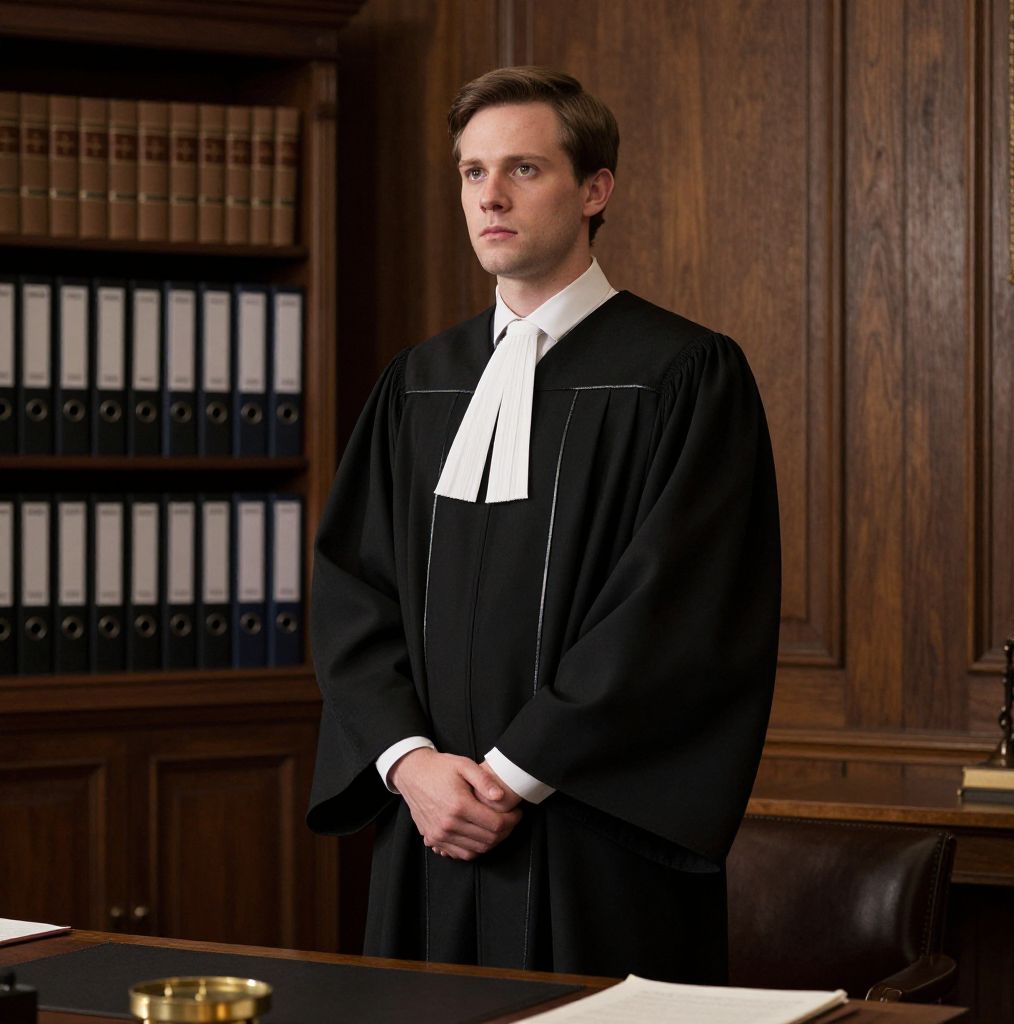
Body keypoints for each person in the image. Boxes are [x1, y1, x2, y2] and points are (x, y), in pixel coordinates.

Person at [307, 66, 780, 984]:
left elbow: (677, 611)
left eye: (522, 169)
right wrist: (410, 767)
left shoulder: (684, 374)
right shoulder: (419, 384)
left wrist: (512, 777)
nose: (490, 196)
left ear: (595, 189)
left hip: (595, 839)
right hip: (431, 829)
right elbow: (352, 590)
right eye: (472, 172)